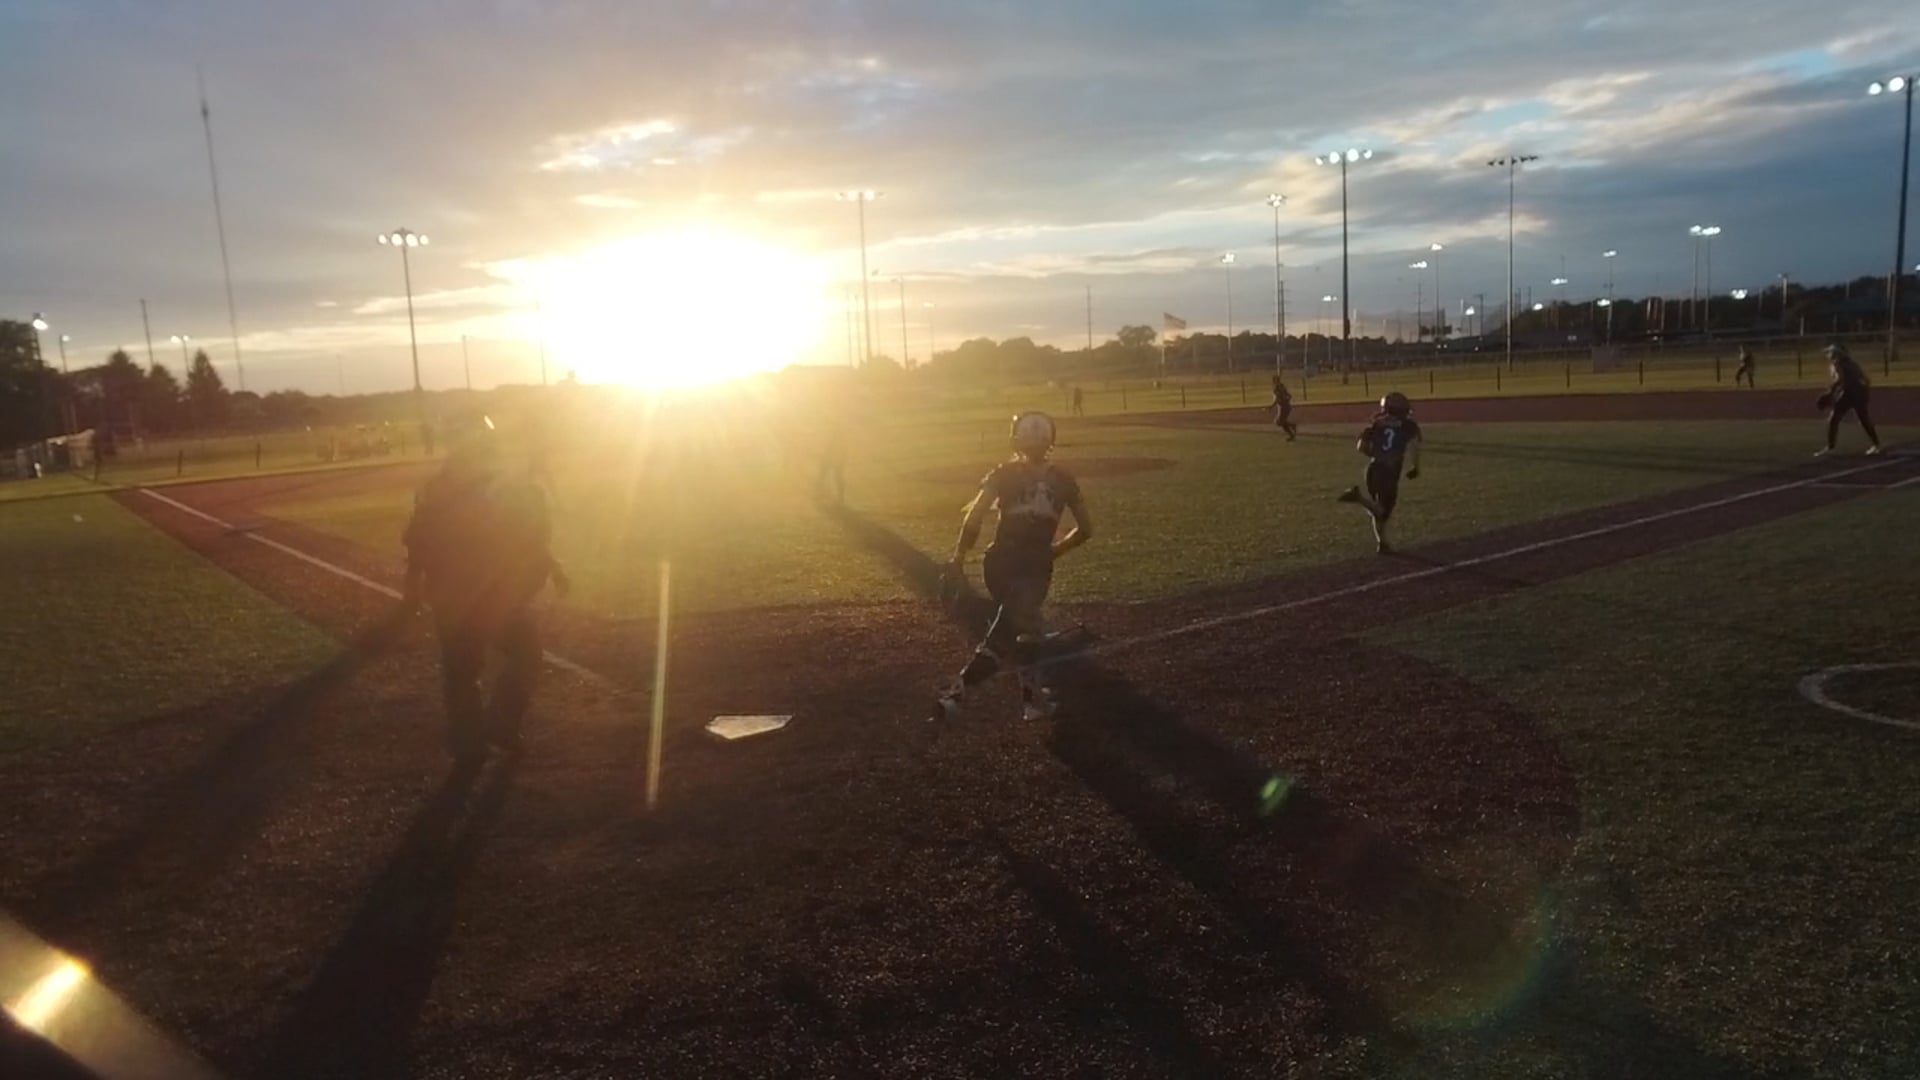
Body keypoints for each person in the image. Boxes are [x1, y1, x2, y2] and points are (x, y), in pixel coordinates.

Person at [403, 414, 571, 764]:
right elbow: (528, 535)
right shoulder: (493, 488)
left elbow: (418, 543)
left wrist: (413, 588)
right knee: (505, 660)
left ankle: (477, 737)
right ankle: (491, 730)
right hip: (486, 595)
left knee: (469, 669)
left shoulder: (446, 489)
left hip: (470, 596)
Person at [933, 412, 1092, 723]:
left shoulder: (1003, 474)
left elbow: (974, 517)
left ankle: (1031, 701)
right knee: (1009, 631)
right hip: (1035, 568)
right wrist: (1054, 552)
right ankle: (957, 692)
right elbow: (1086, 530)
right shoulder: (1064, 480)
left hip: (998, 563)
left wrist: (958, 558)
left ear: (1015, 438)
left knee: (1027, 627)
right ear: (1051, 439)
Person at [1337, 391, 1423, 555]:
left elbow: (1361, 446)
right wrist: (1416, 467)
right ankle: (1358, 497)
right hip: (1389, 471)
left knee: (1378, 509)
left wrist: (1377, 454)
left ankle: (1382, 543)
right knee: (1383, 511)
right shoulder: (1408, 426)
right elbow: (1414, 446)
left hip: (1373, 468)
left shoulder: (1377, 424)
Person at [1816, 344, 1882, 457]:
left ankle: (1831, 446)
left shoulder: (1837, 364)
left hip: (1849, 394)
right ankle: (1876, 444)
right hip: (1859, 393)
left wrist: (1831, 392)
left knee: (1834, 419)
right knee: (1863, 419)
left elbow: (1840, 380)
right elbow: (1866, 380)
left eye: (1830, 353)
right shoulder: (1852, 364)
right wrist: (1864, 392)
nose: (1828, 355)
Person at [1270, 376, 1298, 441]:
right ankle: (1291, 433)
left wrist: (1271, 407)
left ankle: (1292, 428)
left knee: (1279, 422)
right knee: (1281, 422)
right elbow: (1289, 396)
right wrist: (1287, 400)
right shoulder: (1282, 386)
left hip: (1283, 407)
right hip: (1286, 406)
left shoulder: (1276, 388)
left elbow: (1277, 399)